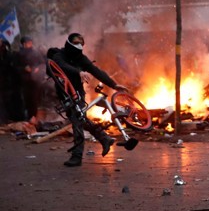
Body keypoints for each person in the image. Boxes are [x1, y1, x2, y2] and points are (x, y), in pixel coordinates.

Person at [49, 33, 128, 167]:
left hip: (77, 93)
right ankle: (104, 138)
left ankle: (77, 156)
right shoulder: (58, 56)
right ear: (69, 43)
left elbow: (96, 71)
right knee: (80, 119)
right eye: (76, 42)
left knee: (77, 120)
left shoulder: (81, 58)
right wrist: (78, 72)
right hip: (64, 93)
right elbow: (62, 66)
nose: (79, 45)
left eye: (81, 43)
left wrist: (113, 85)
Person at [16, 36, 46, 122]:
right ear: (23, 44)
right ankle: (27, 118)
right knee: (26, 100)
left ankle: (34, 117)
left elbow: (42, 63)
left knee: (34, 100)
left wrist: (37, 69)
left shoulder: (36, 53)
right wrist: (24, 68)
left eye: (30, 42)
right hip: (24, 81)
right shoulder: (18, 54)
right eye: (28, 42)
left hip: (35, 81)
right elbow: (15, 67)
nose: (30, 44)